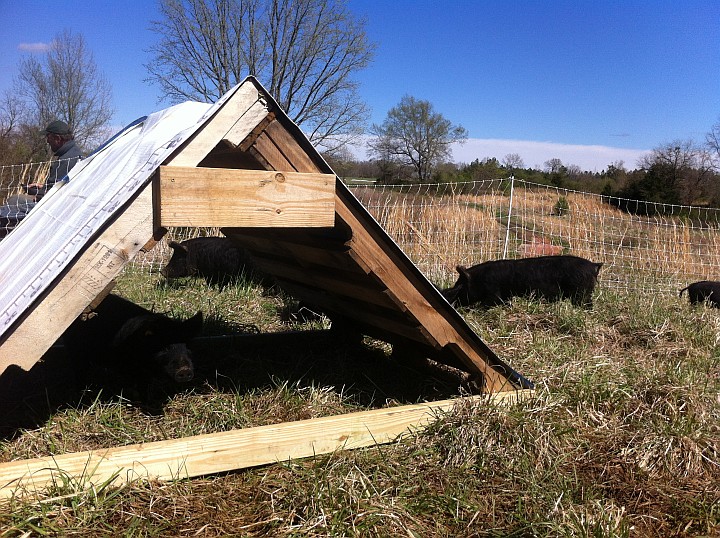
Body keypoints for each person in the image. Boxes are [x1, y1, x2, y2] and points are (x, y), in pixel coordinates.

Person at [0, 120, 83, 237]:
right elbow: (60, 184)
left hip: (54, 206)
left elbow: (52, 195)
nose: (47, 141)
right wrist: (41, 186)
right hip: (56, 199)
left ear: (57, 138)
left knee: (14, 201)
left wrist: (36, 194)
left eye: (48, 137)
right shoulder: (74, 153)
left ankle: (9, 237)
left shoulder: (66, 160)